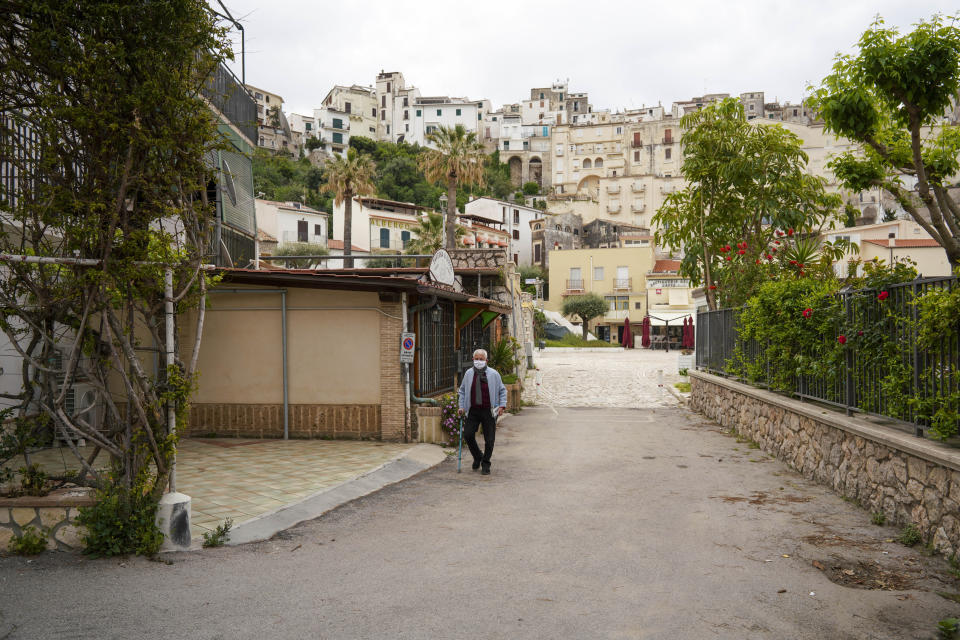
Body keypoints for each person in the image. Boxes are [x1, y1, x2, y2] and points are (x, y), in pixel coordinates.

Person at [458, 348, 507, 475]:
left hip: (489, 411)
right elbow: (462, 391)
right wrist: (461, 406)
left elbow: (502, 390)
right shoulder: (468, 373)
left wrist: (502, 405)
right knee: (468, 435)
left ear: (486, 361)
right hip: (473, 410)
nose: (479, 361)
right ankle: (478, 456)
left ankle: (486, 463)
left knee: (489, 440)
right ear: (473, 359)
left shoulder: (494, 374)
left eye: (481, 359)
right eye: (477, 359)